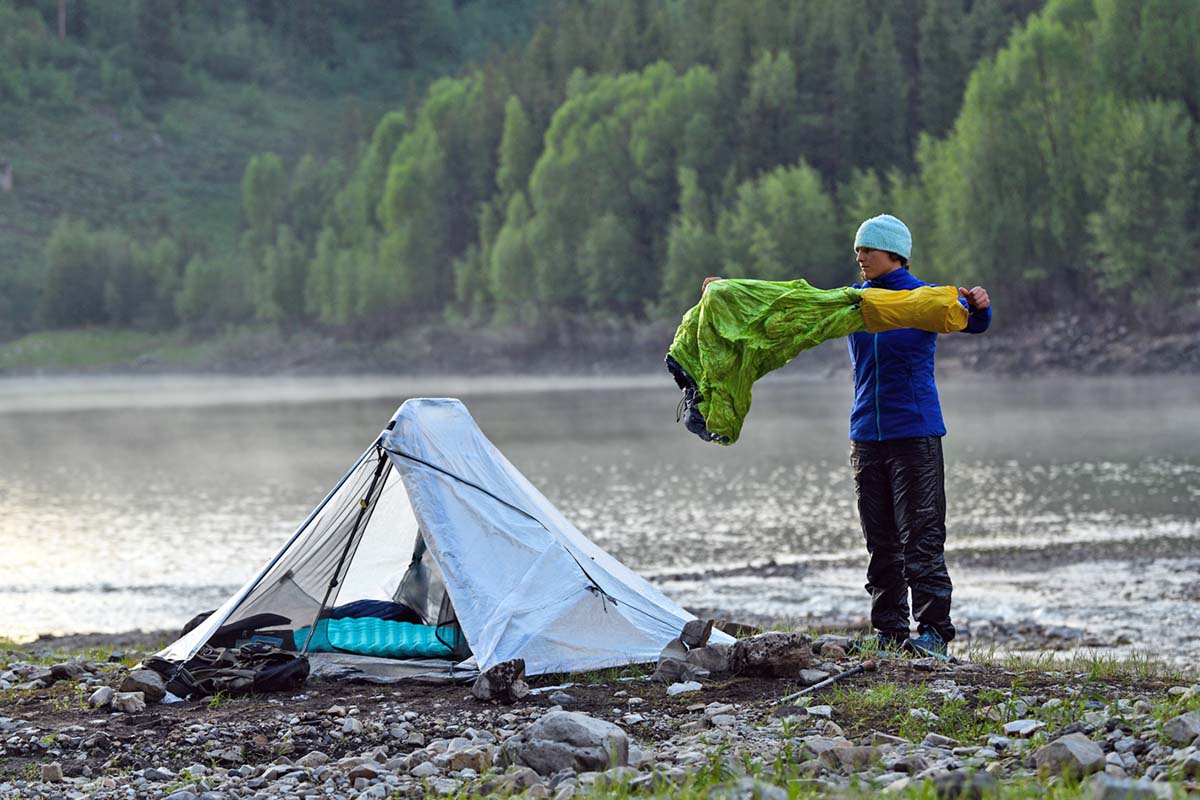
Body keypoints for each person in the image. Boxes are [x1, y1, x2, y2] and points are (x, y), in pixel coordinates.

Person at [847, 213, 990, 657]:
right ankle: (889, 633)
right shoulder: (851, 301)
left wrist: (981, 306)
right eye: (857, 249)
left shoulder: (925, 300)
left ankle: (933, 634)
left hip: (915, 433)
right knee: (880, 540)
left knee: (922, 537)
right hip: (866, 436)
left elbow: (973, 323)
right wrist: (731, 291)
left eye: (867, 249)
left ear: (893, 252)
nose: (859, 256)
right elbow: (789, 304)